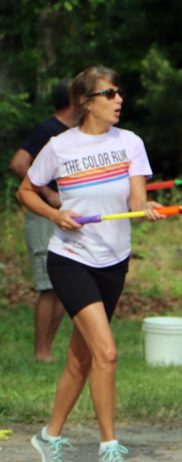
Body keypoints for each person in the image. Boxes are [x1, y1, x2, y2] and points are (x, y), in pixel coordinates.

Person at [16, 65, 163, 462]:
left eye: (119, 93)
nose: (119, 100)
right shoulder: (59, 147)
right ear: (87, 102)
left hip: (114, 261)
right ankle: (109, 449)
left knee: (81, 359)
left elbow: (136, 196)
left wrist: (146, 208)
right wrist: (55, 214)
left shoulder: (130, 142)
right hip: (70, 258)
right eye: (110, 94)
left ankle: (49, 435)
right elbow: (25, 190)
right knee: (107, 352)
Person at [8, 79, 73, 361]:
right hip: (43, 218)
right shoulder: (48, 130)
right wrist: (48, 194)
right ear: (74, 100)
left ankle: (46, 351)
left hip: (63, 220)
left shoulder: (73, 134)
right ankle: (41, 352)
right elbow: (18, 163)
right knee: (49, 286)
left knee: (62, 287)